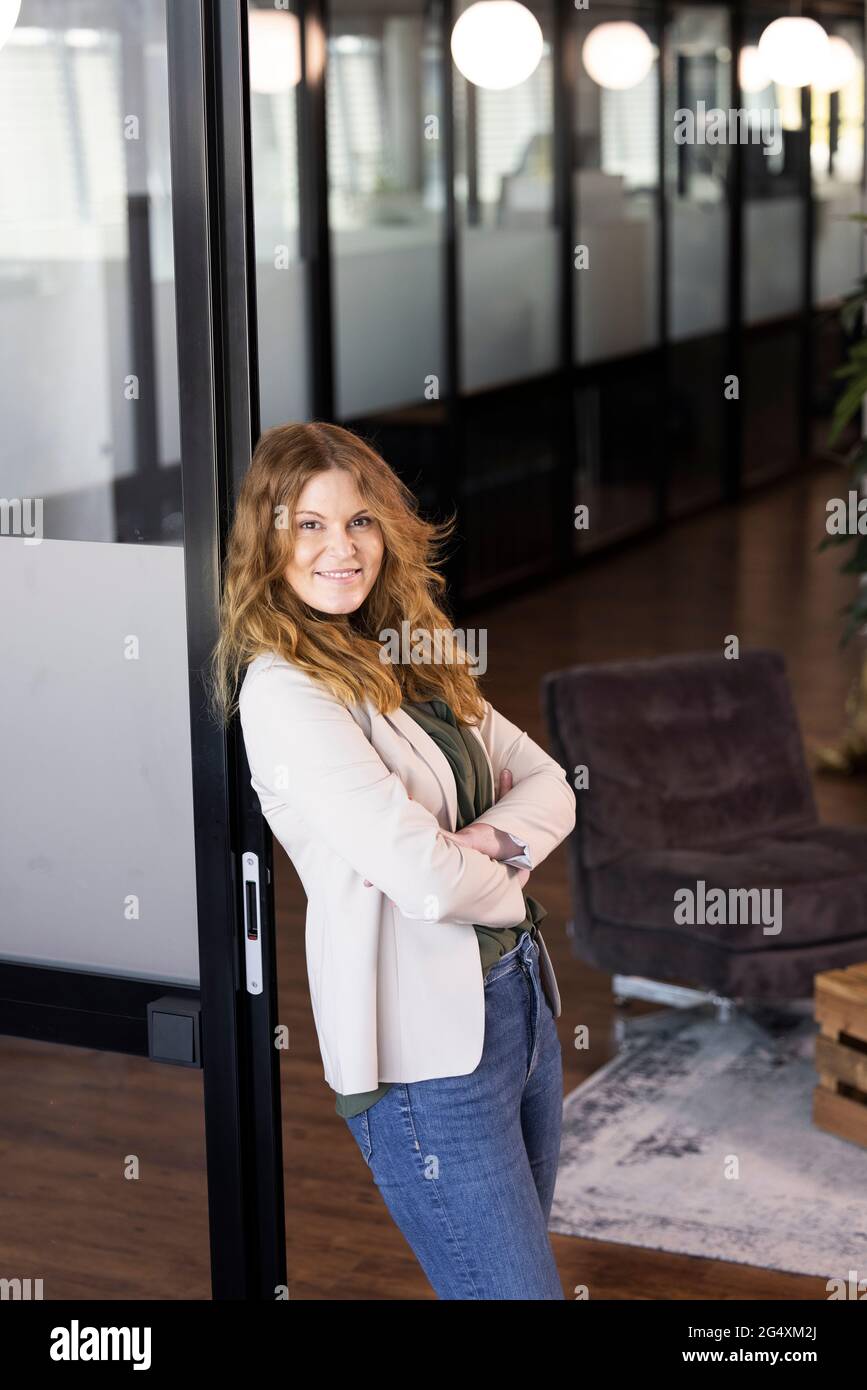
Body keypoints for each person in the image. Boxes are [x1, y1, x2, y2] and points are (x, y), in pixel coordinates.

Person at [209, 420, 577, 1299]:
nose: (342, 547)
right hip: (426, 1059)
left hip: (519, 1006)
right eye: (309, 524)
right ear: (266, 540)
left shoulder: (408, 650)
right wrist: (494, 872)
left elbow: (551, 782)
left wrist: (481, 844)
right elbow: (425, 878)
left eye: (361, 521)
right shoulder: (285, 692)